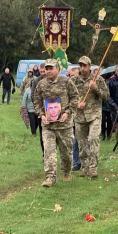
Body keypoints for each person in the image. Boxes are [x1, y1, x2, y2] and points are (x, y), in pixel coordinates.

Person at [33, 58, 79, 187]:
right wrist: (41, 114)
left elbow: (75, 97)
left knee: (66, 153)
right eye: (46, 68)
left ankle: (66, 171)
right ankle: (50, 177)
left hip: (64, 125)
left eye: (51, 68)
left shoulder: (66, 82)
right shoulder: (41, 84)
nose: (48, 71)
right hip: (48, 126)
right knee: (49, 151)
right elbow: (36, 101)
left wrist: (67, 112)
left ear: (57, 69)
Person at [73, 56, 109, 178]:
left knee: (93, 139)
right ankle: (85, 167)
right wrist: (77, 104)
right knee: (82, 144)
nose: (82, 68)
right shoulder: (74, 80)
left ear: (89, 66)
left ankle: (93, 168)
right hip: (79, 117)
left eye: (85, 66)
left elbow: (106, 96)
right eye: (81, 66)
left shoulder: (98, 80)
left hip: (94, 115)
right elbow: (68, 97)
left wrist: (96, 88)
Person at [31, 63, 46, 156]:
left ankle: (52, 153)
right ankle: (44, 154)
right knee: (42, 135)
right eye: (41, 72)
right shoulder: (36, 81)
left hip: (53, 111)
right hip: (40, 112)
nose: (43, 73)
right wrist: (39, 107)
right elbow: (33, 95)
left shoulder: (53, 80)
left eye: (44, 71)